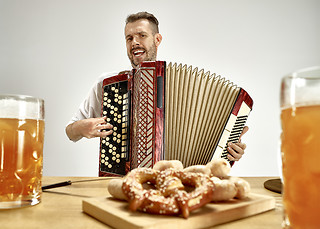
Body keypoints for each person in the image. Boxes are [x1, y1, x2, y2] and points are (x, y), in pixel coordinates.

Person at [65, 11, 248, 161]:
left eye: (142, 35)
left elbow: (212, 145)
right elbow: (70, 131)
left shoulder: (189, 89)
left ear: (157, 39)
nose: (134, 42)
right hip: (126, 182)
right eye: (129, 38)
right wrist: (81, 128)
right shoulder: (109, 84)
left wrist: (229, 151)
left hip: (178, 184)